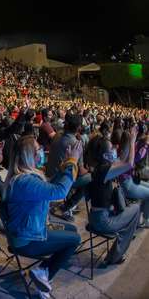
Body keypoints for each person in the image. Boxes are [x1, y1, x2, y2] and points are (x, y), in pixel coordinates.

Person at [4, 135, 82, 298]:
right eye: (38, 149)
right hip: (27, 239)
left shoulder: (24, 178)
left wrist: (66, 164)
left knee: (72, 229)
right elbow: (59, 192)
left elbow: (49, 187)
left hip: (28, 230)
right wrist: (73, 162)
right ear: (30, 155)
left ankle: (43, 271)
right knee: (74, 240)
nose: (42, 151)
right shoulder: (25, 181)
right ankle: (44, 272)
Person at [87, 126, 140, 266]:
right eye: (111, 149)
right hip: (102, 221)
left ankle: (118, 250)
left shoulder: (101, 167)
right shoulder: (104, 170)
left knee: (130, 217)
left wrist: (129, 140)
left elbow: (122, 159)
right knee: (135, 209)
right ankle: (115, 256)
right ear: (105, 155)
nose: (114, 150)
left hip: (96, 217)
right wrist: (134, 140)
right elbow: (128, 163)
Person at [48, 114, 92, 222]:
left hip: (50, 174)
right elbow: (81, 172)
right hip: (60, 180)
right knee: (92, 178)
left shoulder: (57, 135)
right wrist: (91, 170)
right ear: (78, 128)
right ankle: (66, 206)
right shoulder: (76, 144)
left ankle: (68, 203)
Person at [118, 131, 149, 227]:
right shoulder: (124, 153)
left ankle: (142, 216)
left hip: (130, 180)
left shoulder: (127, 150)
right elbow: (132, 163)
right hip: (127, 185)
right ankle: (144, 220)